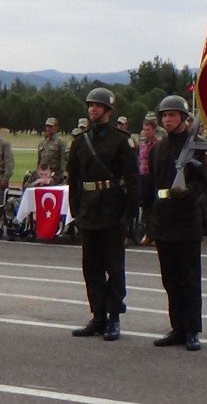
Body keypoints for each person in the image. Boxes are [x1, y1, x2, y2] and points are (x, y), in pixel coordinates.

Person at [68, 88, 139, 341]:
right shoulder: (79, 141)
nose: (92, 110)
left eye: (98, 106)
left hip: (112, 209)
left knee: (114, 267)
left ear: (108, 111)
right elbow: (73, 178)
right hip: (89, 210)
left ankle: (114, 317)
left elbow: (132, 179)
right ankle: (97, 315)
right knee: (91, 267)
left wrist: (128, 215)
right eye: (90, 106)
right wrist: (75, 210)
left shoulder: (122, 141)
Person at [144, 96, 207, 351]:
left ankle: (192, 329)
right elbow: (152, 186)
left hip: (187, 221)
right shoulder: (158, 149)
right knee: (170, 279)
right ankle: (177, 326)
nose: (167, 119)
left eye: (172, 115)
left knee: (189, 279)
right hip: (164, 220)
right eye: (164, 115)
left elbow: (204, 182)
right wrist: (150, 221)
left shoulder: (197, 146)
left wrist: (187, 192)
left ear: (183, 117)